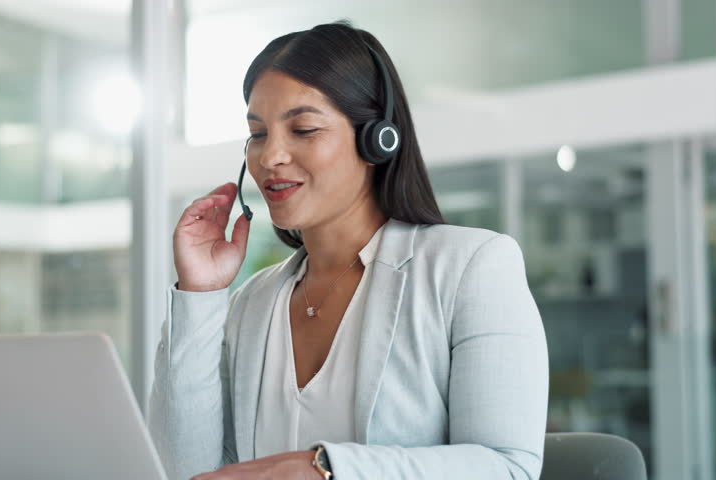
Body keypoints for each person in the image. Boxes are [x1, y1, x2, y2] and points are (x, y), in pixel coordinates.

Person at [149, 21, 548, 480]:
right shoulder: (251, 304)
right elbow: (184, 469)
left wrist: (325, 470)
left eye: (303, 129)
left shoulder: (471, 267)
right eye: (258, 134)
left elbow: (507, 468)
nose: (270, 156)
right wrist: (199, 292)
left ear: (377, 139)